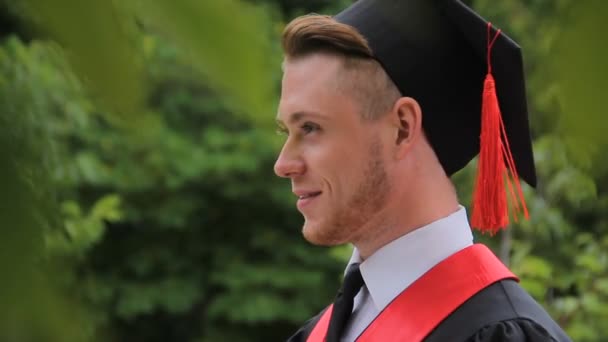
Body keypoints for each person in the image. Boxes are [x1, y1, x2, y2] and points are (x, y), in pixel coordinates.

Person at [273, 0, 571, 341]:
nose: (283, 164)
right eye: (287, 132)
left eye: (310, 127)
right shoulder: (320, 333)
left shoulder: (500, 334)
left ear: (402, 127)